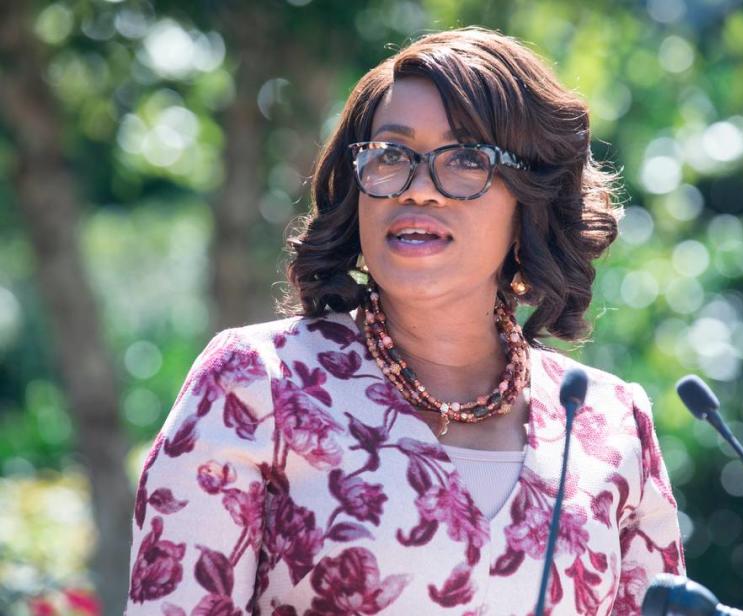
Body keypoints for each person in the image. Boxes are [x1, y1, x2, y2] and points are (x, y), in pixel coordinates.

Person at [125, 26, 684, 616]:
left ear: (531, 198)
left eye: (467, 158)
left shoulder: (607, 421)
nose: (419, 190)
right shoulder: (257, 385)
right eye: (391, 155)